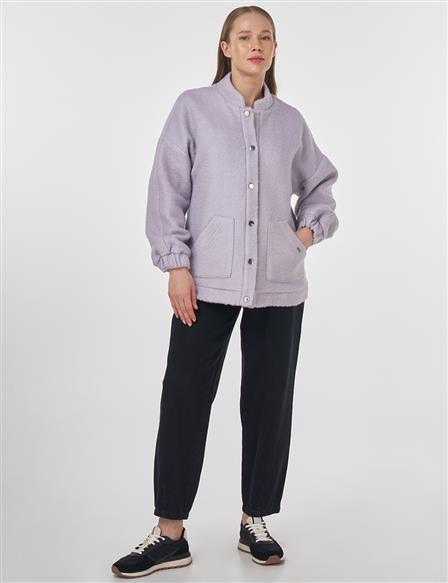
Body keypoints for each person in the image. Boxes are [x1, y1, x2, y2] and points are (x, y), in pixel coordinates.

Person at [112, 4, 339, 578]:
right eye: (244, 36)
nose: (255, 45)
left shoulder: (290, 121)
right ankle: (169, 533)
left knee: (268, 404)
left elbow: (320, 186)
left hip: (278, 284)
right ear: (226, 47)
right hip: (205, 280)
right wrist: (175, 264)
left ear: (274, 49)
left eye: (265, 37)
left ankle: (254, 519)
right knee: (184, 398)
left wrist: (303, 235)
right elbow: (167, 189)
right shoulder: (192, 108)